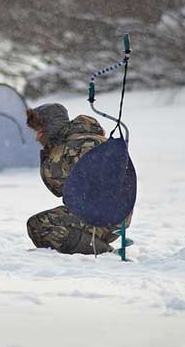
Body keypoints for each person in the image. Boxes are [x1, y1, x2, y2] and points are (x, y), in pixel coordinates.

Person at [25, 103, 130, 254]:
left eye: (40, 130)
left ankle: (103, 251)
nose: (37, 137)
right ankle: (93, 243)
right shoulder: (94, 139)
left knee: (39, 226)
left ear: (51, 126)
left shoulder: (70, 147)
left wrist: (48, 152)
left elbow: (56, 186)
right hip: (120, 217)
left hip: (100, 217)